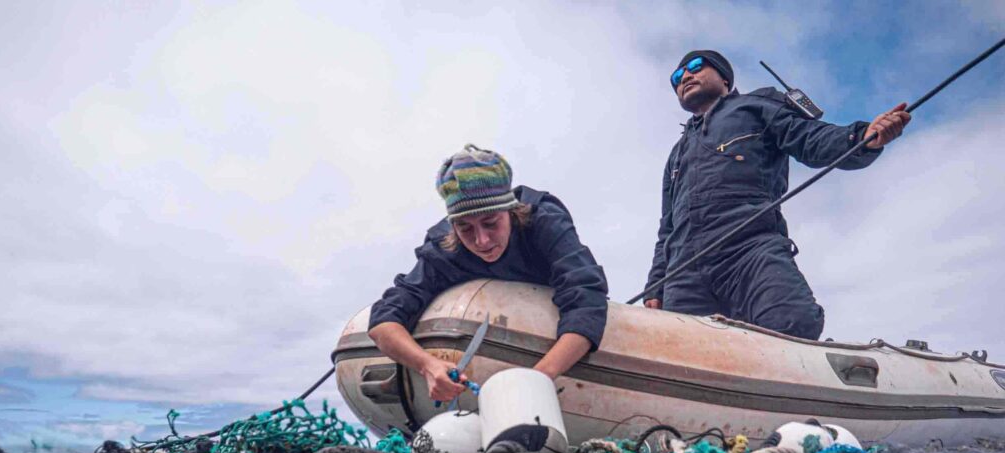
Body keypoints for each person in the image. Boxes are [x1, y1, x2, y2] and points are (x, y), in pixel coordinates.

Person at [643, 50, 910, 339]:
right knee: (675, 349)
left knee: (794, 322)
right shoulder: (675, 155)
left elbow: (810, 139)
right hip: (683, 272)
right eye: (676, 77)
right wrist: (656, 285)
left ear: (724, 79)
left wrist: (863, 138)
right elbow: (666, 226)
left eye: (695, 66)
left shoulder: (756, 107)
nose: (685, 76)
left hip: (749, 249)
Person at [369, 144, 609, 402]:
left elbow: (586, 298)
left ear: (510, 210)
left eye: (490, 223)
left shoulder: (544, 220)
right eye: (465, 228)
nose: (481, 240)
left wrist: (537, 380)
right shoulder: (444, 249)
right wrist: (427, 365)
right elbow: (384, 319)